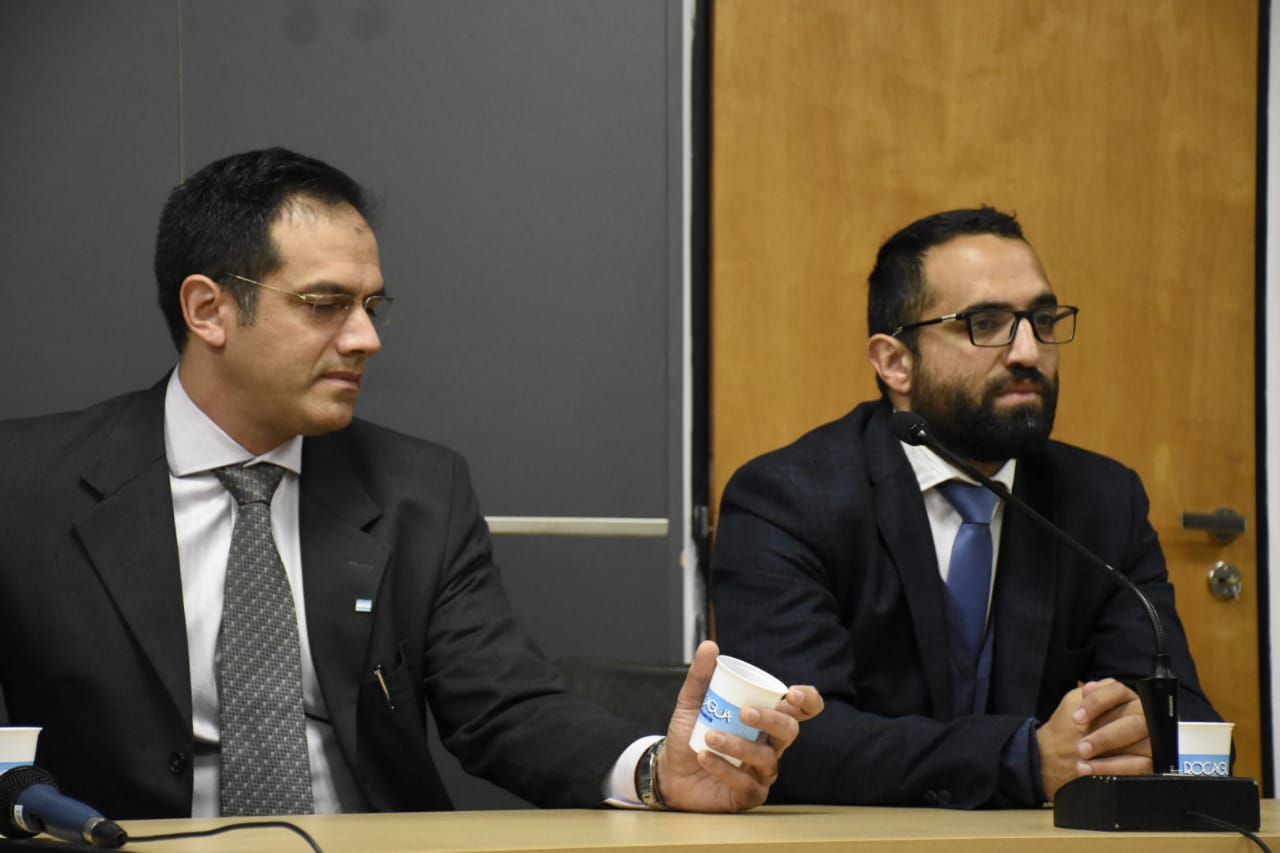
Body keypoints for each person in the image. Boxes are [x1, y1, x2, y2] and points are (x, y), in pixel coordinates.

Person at [0, 147, 822, 821]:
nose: (364, 338)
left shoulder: (416, 489)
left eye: (370, 305)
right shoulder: (25, 487)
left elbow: (505, 706)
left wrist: (654, 772)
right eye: (325, 304)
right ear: (209, 310)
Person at [710, 207, 1218, 809]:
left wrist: (1141, 732)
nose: (1029, 350)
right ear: (895, 362)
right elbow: (793, 741)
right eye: (987, 323)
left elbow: (1184, 717)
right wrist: (1023, 759)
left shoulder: (1102, 502)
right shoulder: (788, 498)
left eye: (1043, 319)